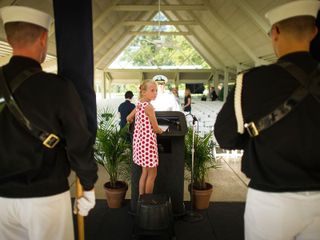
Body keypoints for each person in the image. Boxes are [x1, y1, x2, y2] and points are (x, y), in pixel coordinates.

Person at [214, 1, 320, 239]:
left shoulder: (251, 82)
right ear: (314, 31)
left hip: (272, 201)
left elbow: (225, 136)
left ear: (275, 32)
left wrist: (258, 138)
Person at [0, 6, 98, 240]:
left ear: (8, 37)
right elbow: (78, 141)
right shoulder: (58, 88)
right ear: (43, 38)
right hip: (46, 199)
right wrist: (88, 184)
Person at [127, 80, 163, 196]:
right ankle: (147, 201)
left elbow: (128, 118)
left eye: (156, 90)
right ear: (143, 92)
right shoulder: (149, 107)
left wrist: (132, 120)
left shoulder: (139, 103)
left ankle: (141, 200)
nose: (155, 93)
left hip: (140, 144)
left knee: (144, 173)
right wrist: (161, 130)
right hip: (148, 145)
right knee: (152, 175)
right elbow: (156, 128)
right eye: (152, 90)